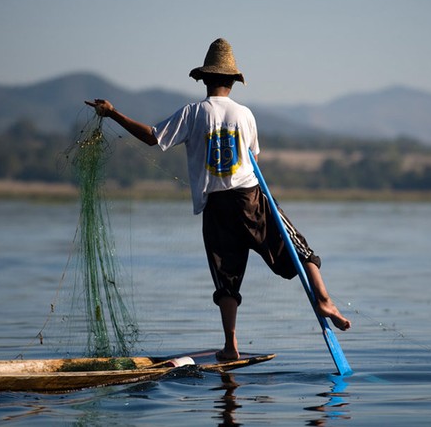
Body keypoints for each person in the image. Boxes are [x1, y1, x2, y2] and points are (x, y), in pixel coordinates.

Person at [86, 38, 350, 360]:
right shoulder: (246, 115)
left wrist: (113, 114)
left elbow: (152, 138)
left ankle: (231, 345)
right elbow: (252, 156)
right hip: (250, 198)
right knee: (299, 249)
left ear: (205, 79)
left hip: (216, 205)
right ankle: (323, 298)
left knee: (226, 278)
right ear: (232, 82)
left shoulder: (193, 113)